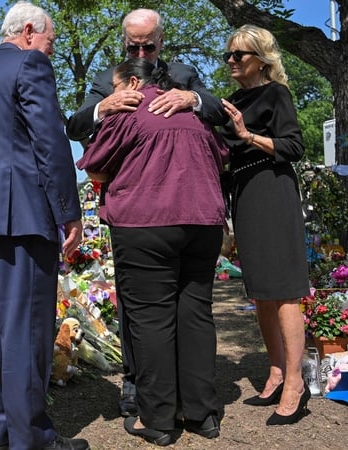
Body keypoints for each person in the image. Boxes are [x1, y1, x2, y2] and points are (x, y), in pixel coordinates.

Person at [66, 8, 228, 418]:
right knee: (155, 311)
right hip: (177, 210)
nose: (141, 51)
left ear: (161, 42)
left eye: (148, 45)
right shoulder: (107, 80)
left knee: (162, 312)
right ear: (124, 44)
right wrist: (105, 106)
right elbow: (75, 125)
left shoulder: (184, 74)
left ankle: (164, 406)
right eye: (133, 45)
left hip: (151, 213)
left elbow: (218, 112)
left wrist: (193, 99)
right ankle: (142, 385)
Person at [0, 2, 86, 449]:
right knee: (28, 332)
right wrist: (69, 211)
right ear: (29, 32)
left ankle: (5, 436)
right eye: (50, 41)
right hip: (22, 216)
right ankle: (33, 441)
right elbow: (49, 140)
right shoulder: (30, 63)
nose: (50, 51)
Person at [219, 24, 311, 426]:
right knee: (260, 291)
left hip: (272, 189)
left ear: (260, 58)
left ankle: (295, 381)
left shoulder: (277, 94)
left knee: (285, 290)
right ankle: (275, 371)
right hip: (244, 193)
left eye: (239, 54)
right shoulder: (232, 100)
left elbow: (294, 146)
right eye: (228, 55)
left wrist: (247, 134)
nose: (232, 62)